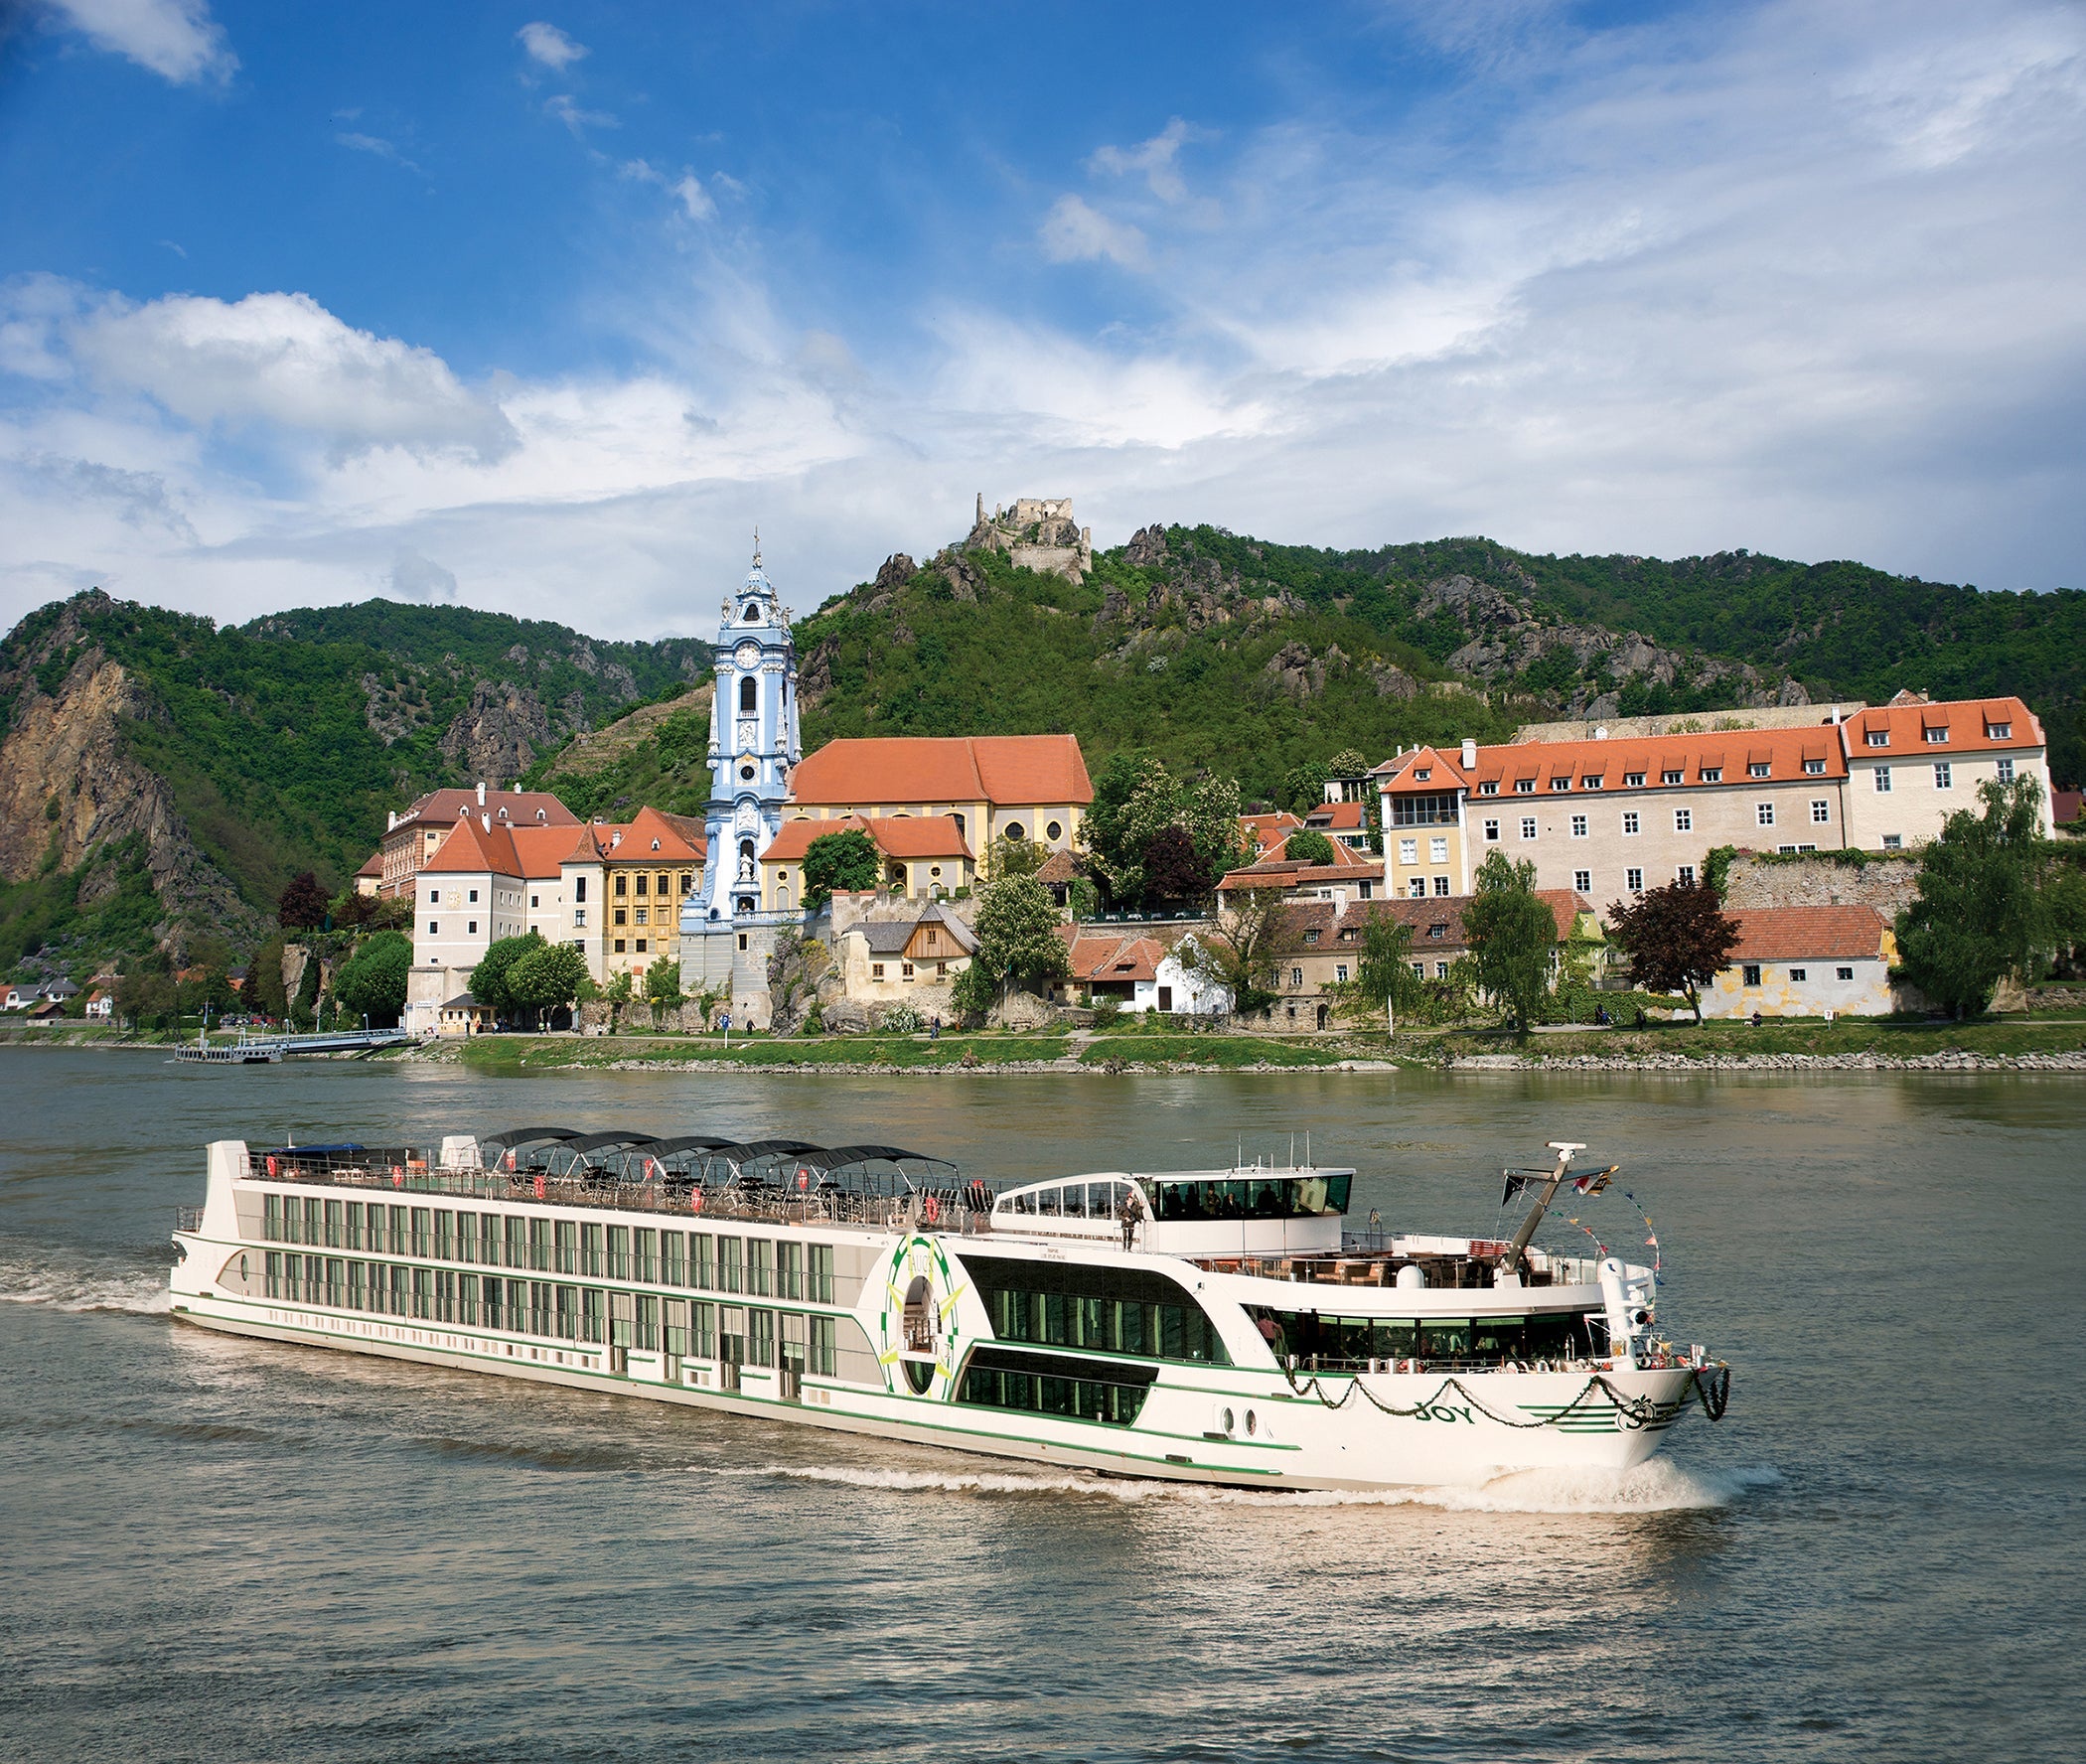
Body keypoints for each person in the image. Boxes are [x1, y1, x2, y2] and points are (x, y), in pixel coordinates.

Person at [1118, 1185, 1144, 1252]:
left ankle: (1129, 1248)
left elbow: (1138, 1209)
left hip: (1132, 1223)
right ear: (1127, 1200)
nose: (1131, 1202)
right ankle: (1124, 1248)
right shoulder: (1123, 1207)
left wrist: (1141, 1206)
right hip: (1125, 1223)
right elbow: (1119, 1214)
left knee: (1130, 1236)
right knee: (1124, 1236)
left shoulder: (1134, 1206)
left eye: (1132, 1201)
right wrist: (1125, 1218)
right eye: (1130, 1200)